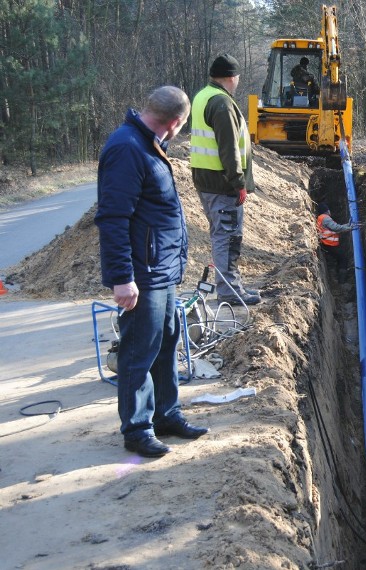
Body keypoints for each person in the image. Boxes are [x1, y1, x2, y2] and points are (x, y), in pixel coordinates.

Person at [95, 86, 209, 458]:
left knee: (166, 343)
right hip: (142, 274)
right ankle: (138, 428)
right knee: (139, 350)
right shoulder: (127, 148)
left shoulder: (149, 144)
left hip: (161, 270)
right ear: (176, 123)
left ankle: (166, 414)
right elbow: (112, 219)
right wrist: (121, 277)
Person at [190, 53, 261, 305]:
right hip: (222, 184)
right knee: (228, 237)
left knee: (223, 236)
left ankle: (233, 286)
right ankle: (230, 292)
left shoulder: (202, 96)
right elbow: (228, 148)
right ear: (232, 77)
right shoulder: (221, 103)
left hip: (207, 181)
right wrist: (238, 182)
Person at [316, 202, 354, 282]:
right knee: (343, 258)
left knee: (339, 258)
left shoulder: (320, 218)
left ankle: (337, 276)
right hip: (330, 244)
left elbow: (336, 227)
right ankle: (342, 280)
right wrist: (349, 228)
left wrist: (348, 225)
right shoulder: (326, 218)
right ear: (327, 210)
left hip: (326, 244)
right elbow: (336, 228)